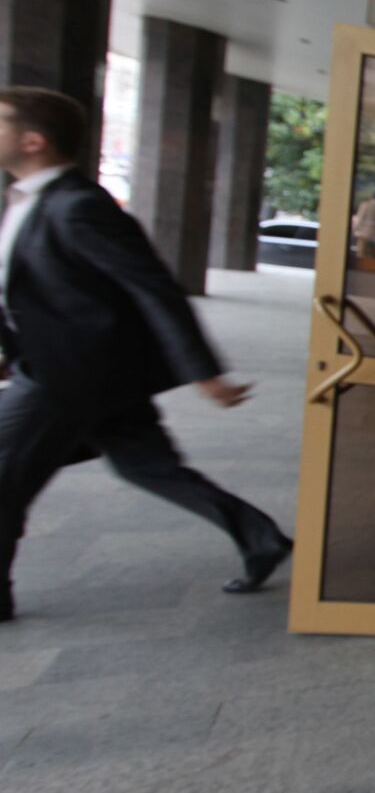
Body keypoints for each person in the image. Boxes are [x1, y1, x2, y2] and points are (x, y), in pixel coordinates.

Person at [0, 86, 294, 622]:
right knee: (151, 468)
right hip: (87, 373)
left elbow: (153, 287)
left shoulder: (79, 206)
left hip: (62, 378)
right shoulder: (33, 201)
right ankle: (260, 537)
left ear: (33, 140)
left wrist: (204, 372)